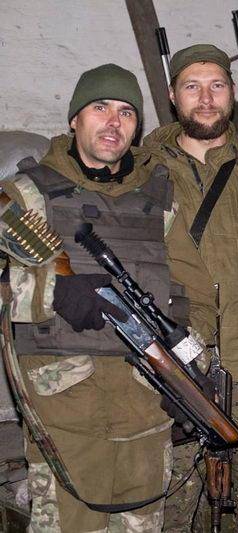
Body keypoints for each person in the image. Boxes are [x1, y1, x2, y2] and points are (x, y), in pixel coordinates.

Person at [3, 64, 173, 531]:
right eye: (100, 108)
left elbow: (189, 286)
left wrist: (191, 366)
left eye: (126, 113)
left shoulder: (162, 199)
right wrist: (52, 291)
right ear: (74, 119)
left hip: (146, 408)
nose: (113, 122)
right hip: (64, 415)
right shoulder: (26, 196)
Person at [141, 44, 238, 532]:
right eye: (192, 87)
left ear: (232, 93)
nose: (206, 99)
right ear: (172, 96)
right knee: (173, 511)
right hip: (170, 375)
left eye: (216, 85)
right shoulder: (141, 171)